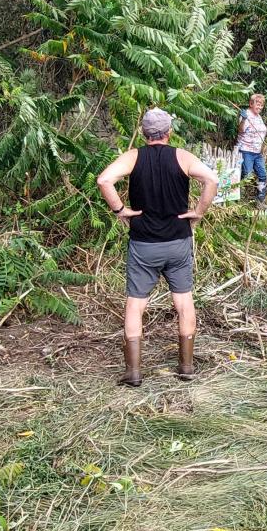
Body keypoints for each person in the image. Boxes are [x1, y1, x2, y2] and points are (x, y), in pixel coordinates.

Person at [96, 108, 220, 387]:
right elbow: (211, 180)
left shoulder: (134, 156)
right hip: (178, 242)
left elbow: (104, 180)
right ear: (169, 132)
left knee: (135, 306)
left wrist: (120, 210)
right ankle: (186, 367)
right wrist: (198, 211)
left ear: (143, 133)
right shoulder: (182, 156)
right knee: (184, 302)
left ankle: (134, 373)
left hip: (143, 244)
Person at [236, 94, 267, 208]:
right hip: (246, 151)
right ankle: (240, 200)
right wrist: (244, 119)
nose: (260, 107)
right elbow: (240, 130)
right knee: (247, 175)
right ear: (251, 104)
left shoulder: (258, 117)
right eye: (257, 104)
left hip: (257, 153)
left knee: (263, 175)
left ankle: (260, 200)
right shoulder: (246, 115)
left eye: (261, 105)